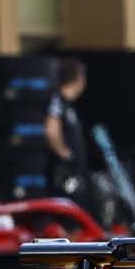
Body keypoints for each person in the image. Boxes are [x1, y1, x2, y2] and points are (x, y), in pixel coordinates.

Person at [43, 58, 90, 212]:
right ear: (79, 79)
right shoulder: (57, 100)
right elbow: (51, 130)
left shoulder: (68, 105)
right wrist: (65, 155)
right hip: (63, 174)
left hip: (74, 174)